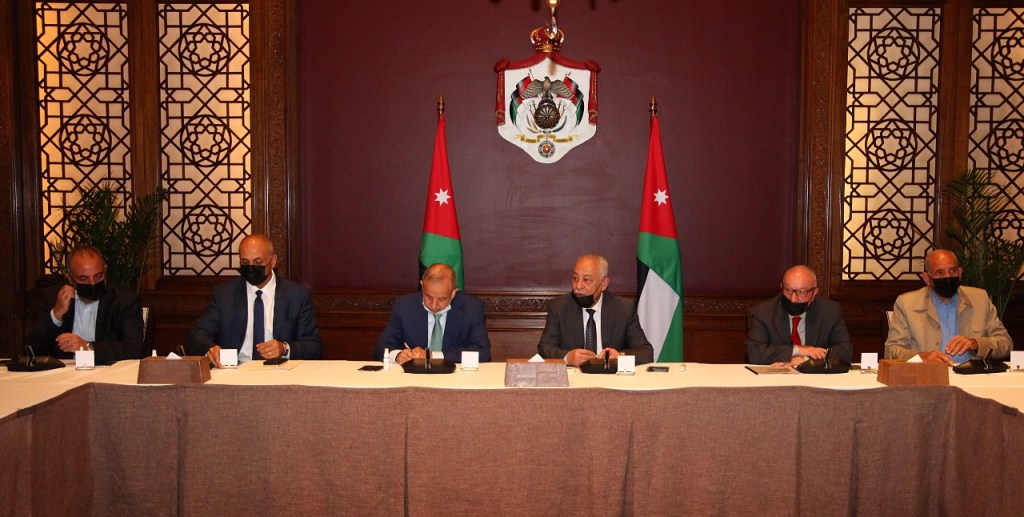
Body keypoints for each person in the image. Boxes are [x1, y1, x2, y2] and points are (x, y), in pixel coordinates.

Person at [187, 233, 322, 367]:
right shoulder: (224, 294)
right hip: (235, 370)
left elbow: (313, 346)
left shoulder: (296, 295)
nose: (251, 268)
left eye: (258, 262)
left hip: (279, 370)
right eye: (245, 262)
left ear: (273, 261)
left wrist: (284, 349)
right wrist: (210, 349)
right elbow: (197, 335)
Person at [885, 249, 1012, 364]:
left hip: (972, 375)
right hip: (929, 375)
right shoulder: (907, 303)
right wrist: (922, 357)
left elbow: (1005, 343)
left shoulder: (980, 299)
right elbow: (891, 350)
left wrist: (976, 344)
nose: (948, 277)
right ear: (927, 278)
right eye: (940, 273)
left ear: (960, 273)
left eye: (952, 271)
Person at [26, 245, 146, 364]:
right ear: (69, 278)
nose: (92, 283)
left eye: (98, 276)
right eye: (83, 279)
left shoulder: (124, 300)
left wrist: (87, 347)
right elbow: (32, 348)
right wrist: (56, 315)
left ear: (105, 270)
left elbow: (134, 349)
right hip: (63, 371)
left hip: (105, 370)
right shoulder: (53, 298)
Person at [537, 254, 654, 366]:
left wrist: (620, 356)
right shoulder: (559, 307)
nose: (578, 286)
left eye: (586, 280)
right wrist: (568, 357)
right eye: (575, 278)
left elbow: (646, 353)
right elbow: (544, 348)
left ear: (603, 284)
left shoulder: (623, 308)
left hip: (610, 376)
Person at [374, 263, 491, 364]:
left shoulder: (471, 308)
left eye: (442, 299)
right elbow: (381, 348)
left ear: (453, 293)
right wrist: (398, 355)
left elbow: (482, 352)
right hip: (414, 377)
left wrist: (432, 356)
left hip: (455, 377)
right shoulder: (404, 306)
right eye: (428, 297)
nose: (434, 305)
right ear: (422, 285)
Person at [745, 265, 852, 366]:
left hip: (816, 375)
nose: (793, 299)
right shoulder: (764, 312)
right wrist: (799, 350)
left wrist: (806, 359)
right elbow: (754, 353)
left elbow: (845, 352)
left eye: (801, 292)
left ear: (814, 292)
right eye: (788, 290)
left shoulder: (830, 311)